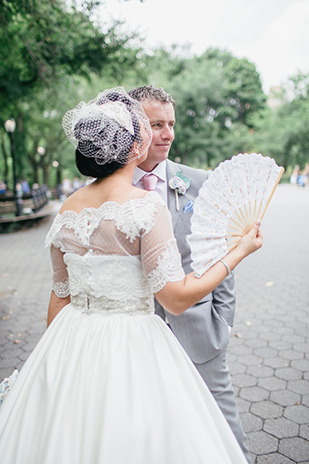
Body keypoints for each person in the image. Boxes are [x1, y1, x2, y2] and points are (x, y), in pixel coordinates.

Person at [0, 88, 262, 463]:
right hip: (135, 344)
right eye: (149, 127)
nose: (160, 135)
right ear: (133, 146)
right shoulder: (145, 207)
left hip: (72, 340)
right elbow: (174, 297)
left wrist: (54, 361)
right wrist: (238, 252)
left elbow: (60, 294)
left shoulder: (67, 209)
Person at [129, 85, 251, 462]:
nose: (168, 134)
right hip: (137, 337)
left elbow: (222, 252)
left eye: (171, 124)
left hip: (200, 331)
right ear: (134, 128)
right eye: (156, 125)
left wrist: (223, 322)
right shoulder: (111, 191)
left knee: (226, 432)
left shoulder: (200, 182)